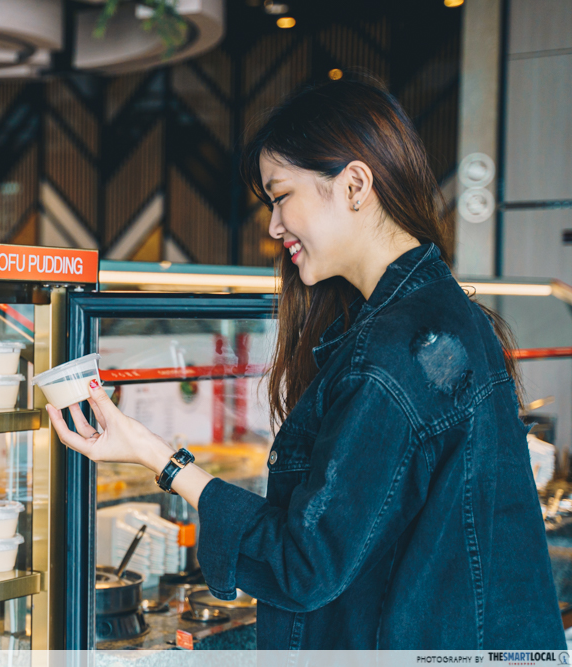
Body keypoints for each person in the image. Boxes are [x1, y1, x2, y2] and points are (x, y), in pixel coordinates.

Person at [46, 78, 566, 649]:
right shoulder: (439, 314)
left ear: (354, 185)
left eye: (281, 195)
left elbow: (305, 563)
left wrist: (155, 455)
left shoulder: (394, 352)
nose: (273, 226)